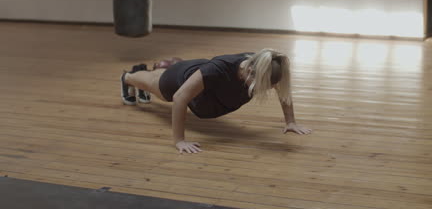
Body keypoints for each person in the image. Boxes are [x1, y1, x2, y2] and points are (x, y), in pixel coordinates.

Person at [120, 49, 311, 154]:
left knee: (154, 78)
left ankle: (147, 70)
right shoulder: (219, 69)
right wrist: (179, 141)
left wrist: (290, 121)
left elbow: (282, 90)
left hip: (202, 84)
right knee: (158, 88)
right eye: (265, 86)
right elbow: (179, 98)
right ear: (251, 73)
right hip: (179, 79)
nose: (268, 89)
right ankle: (127, 77)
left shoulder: (265, 66)